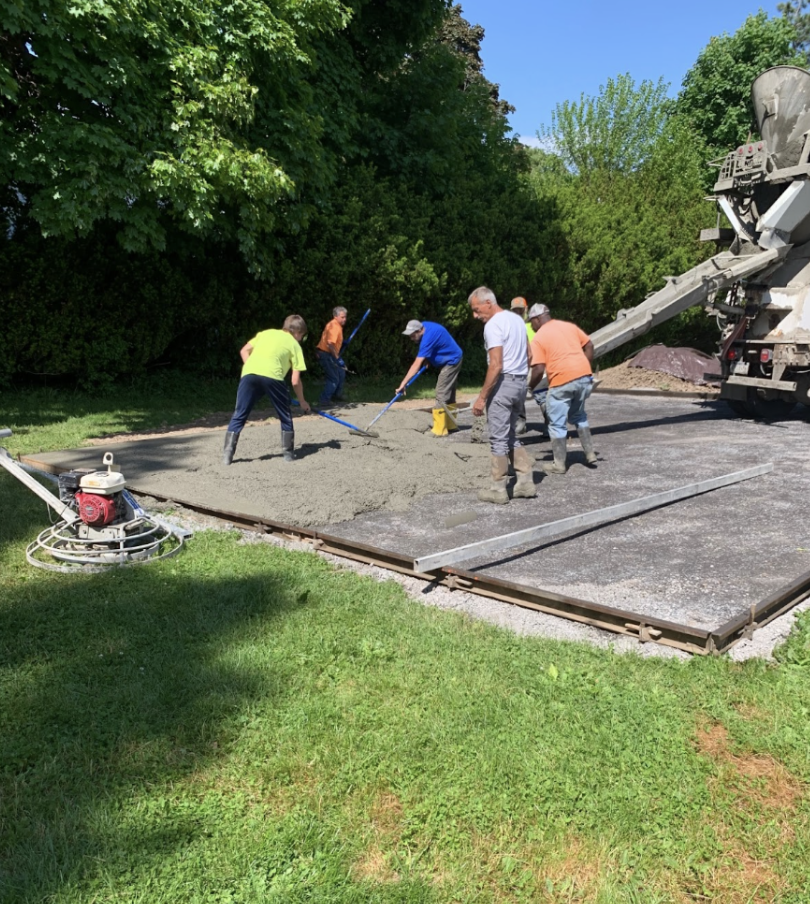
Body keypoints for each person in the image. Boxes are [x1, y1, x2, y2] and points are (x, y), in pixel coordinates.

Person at [469, 286, 536, 503]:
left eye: (477, 310)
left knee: (498, 438)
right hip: (519, 384)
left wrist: (481, 397)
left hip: (504, 384)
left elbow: (496, 365)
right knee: (509, 435)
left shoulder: (493, 326)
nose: (475, 315)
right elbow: (529, 354)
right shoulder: (517, 320)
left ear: (488, 302)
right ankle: (525, 482)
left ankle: (498, 490)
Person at [222, 315, 311, 465]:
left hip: (249, 374)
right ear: (298, 333)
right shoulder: (294, 345)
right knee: (285, 415)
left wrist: (254, 368)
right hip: (273, 377)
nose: (301, 339)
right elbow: (295, 381)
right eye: (302, 336)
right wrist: (302, 401)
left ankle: (227, 456)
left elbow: (244, 351)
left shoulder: (266, 333)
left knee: (240, 413)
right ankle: (288, 455)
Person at [527, 303, 596, 474]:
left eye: (531, 322)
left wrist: (529, 388)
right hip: (584, 378)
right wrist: (584, 367)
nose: (532, 326)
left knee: (556, 423)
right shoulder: (569, 326)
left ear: (537, 319)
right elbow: (590, 345)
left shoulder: (539, 337)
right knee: (579, 415)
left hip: (562, 381)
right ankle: (590, 453)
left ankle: (559, 465)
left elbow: (538, 369)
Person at [397, 320, 463, 435]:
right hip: (451, 357)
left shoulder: (428, 338)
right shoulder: (424, 326)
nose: (411, 338)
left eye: (412, 335)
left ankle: (439, 430)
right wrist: (428, 358)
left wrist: (403, 384)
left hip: (451, 361)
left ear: (419, 330)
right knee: (449, 393)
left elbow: (416, 365)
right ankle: (451, 425)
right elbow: (435, 345)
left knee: (441, 393)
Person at [509, 297, 535, 435]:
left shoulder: (534, 325)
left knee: (543, 396)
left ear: (526, 309)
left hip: (538, 365)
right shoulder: (512, 327)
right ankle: (520, 423)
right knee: (518, 394)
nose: (518, 313)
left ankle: (551, 426)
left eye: (521, 310)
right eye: (515, 310)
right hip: (522, 366)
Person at [316, 306, 348, 408]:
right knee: (333, 378)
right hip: (326, 354)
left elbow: (332, 342)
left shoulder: (335, 325)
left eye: (345, 317)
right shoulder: (334, 326)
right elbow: (330, 344)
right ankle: (324, 400)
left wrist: (342, 343)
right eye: (342, 317)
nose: (344, 319)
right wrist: (338, 358)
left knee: (341, 372)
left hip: (328, 353)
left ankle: (337, 395)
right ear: (336, 316)